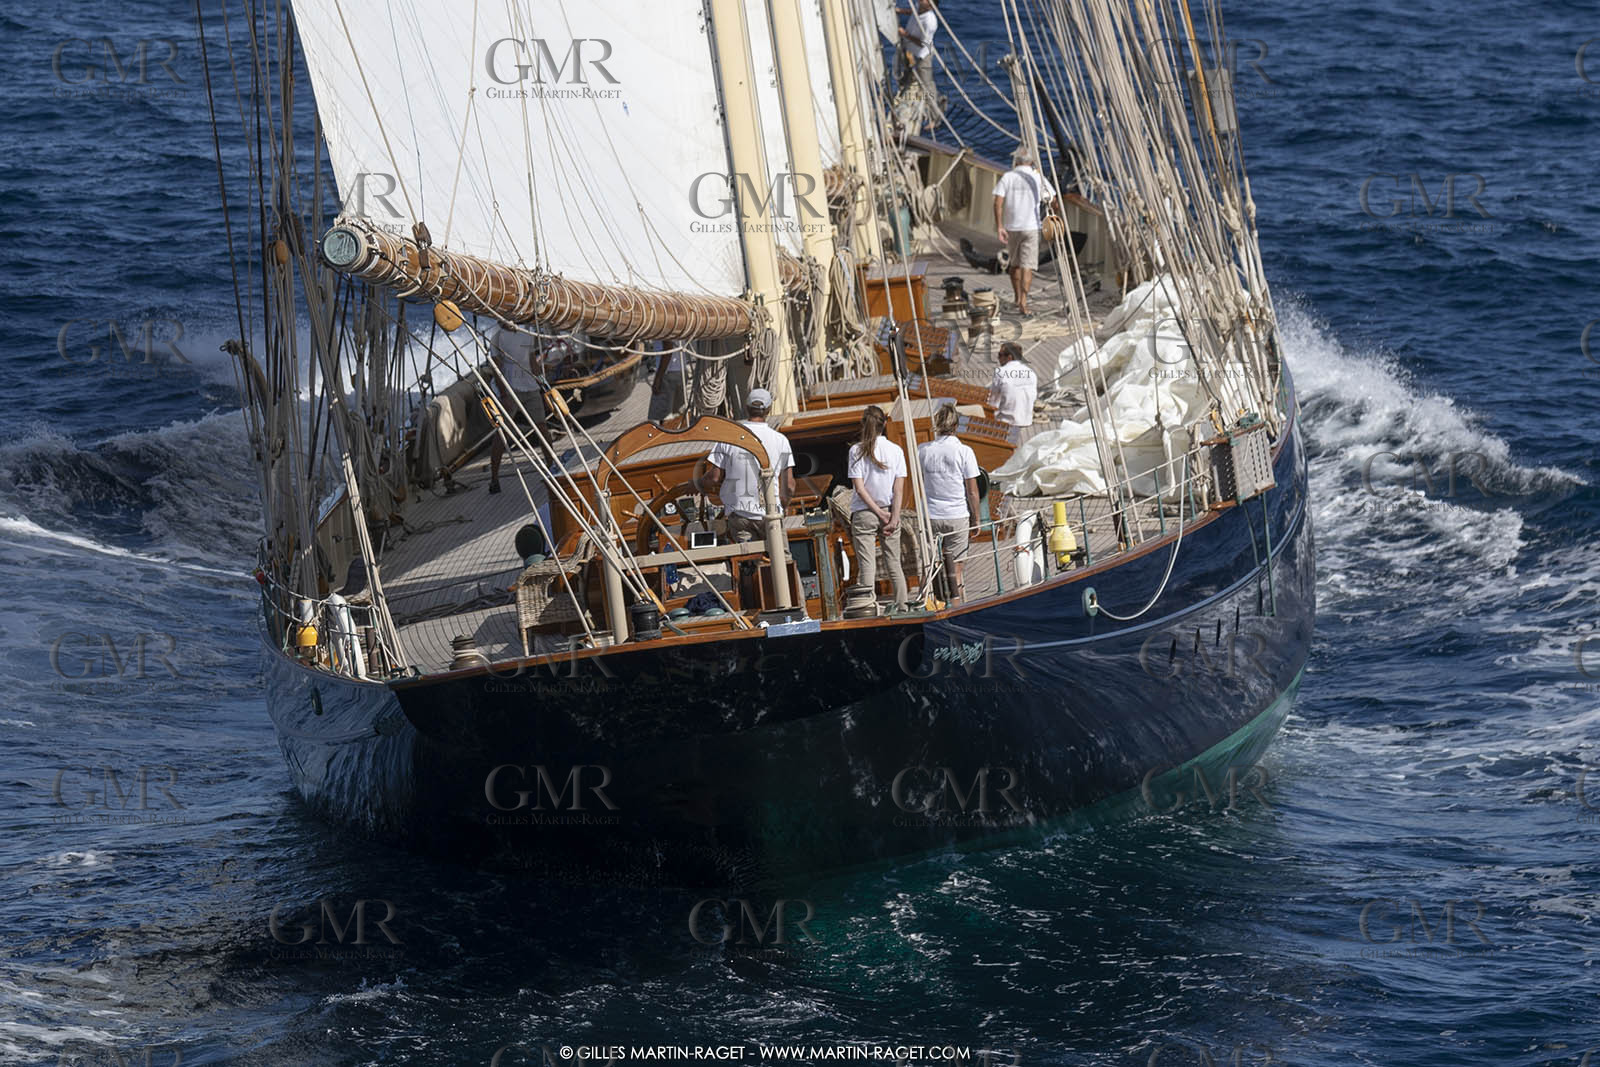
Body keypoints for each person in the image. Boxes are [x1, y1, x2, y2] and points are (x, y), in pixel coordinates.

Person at [702, 388, 795, 543]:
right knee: (783, 562)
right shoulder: (781, 441)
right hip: (771, 515)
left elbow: (714, 477)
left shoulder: (728, 437)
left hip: (740, 516)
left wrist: (697, 484)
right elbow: (790, 486)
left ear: (746, 408)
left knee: (749, 562)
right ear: (768, 409)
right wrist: (781, 506)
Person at [847, 405, 909, 612]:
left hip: (865, 513)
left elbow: (860, 488)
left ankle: (868, 608)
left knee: (867, 565)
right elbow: (898, 489)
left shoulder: (856, 450)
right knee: (894, 564)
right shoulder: (896, 451)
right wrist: (892, 516)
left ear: (864, 424)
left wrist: (877, 512)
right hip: (891, 510)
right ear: (884, 424)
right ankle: (902, 607)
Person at [919, 402, 981, 603]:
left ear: (937, 423)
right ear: (956, 425)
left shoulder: (923, 450)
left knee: (931, 567)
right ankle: (956, 607)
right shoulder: (964, 451)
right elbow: (972, 491)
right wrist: (977, 519)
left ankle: (931, 604)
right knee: (956, 571)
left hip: (931, 516)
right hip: (957, 516)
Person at [488, 325, 553, 495]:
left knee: (542, 427)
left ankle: (552, 467)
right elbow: (496, 369)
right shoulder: (496, 337)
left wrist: (544, 386)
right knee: (503, 433)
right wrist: (504, 396)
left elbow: (532, 361)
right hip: (510, 389)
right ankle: (494, 479)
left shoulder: (526, 333)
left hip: (530, 387)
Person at [993, 148, 1056, 317]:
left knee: (1014, 264)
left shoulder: (1008, 177)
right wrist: (1054, 218)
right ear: (1031, 162)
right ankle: (1024, 301)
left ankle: (1016, 297)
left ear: (1016, 161)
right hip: (1032, 227)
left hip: (1013, 228)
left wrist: (1000, 226)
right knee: (1027, 266)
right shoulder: (1037, 177)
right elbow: (1052, 198)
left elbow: (998, 203)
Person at [895, 1, 940, 130]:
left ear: (931, 6)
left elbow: (923, 44)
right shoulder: (919, 7)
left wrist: (905, 34)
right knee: (906, 75)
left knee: (927, 85)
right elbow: (913, 12)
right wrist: (900, 11)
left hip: (922, 55)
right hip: (910, 48)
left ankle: (935, 118)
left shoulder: (930, 22)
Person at [989, 341, 1038, 427]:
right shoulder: (1031, 373)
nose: (998, 358)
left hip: (1006, 422)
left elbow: (992, 402)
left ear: (1009, 357)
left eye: (1000, 355)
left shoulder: (1000, 372)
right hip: (1026, 421)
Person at [649, 343, 687, 424]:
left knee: (665, 417)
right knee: (678, 415)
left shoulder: (664, 330)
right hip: (681, 370)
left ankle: (668, 435)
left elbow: (668, 350)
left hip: (667, 373)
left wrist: (658, 378)